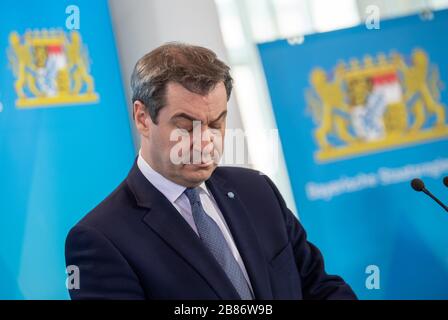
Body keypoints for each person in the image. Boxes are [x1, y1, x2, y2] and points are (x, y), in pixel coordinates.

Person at [65, 42, 357, 300]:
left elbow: (319, 287)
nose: (205, 141)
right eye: (185, 125)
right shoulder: (99, 239)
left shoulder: (257, 190)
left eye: (216, 123)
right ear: (143, 118)